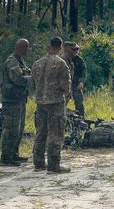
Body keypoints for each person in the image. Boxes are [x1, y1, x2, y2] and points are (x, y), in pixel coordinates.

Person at [30, 36, 71, 173]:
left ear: (49, 45)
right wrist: (67, 96)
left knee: (41, 132)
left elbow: (33, 84)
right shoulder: (61, 63)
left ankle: (39, 162)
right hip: (55, 103)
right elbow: (65, 86)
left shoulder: (37, 63)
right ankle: (54, 165)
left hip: (40, 102)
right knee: (56, 132)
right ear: (60, 48)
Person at [1, 38, 31, 166]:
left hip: (19, 99)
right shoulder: (12, 61)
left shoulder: (20, 60)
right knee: (11, 129)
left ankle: (14, 154)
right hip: (11, 101)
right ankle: (6, 157)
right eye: (26, 47)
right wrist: (32, 78)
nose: (28, 50)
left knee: (19, 129)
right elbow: (17, 79)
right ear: (20, 47)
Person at [63, 41, 87, 116]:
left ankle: (82, 120)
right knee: (62, 104)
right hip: (64, 85)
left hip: (76, 85)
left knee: (79, 103)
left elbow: (84, 72)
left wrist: (81, 82)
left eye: (77, 49)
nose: (76, 51)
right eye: (74, 49)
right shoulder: (62, 60)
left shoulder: (79, 60)